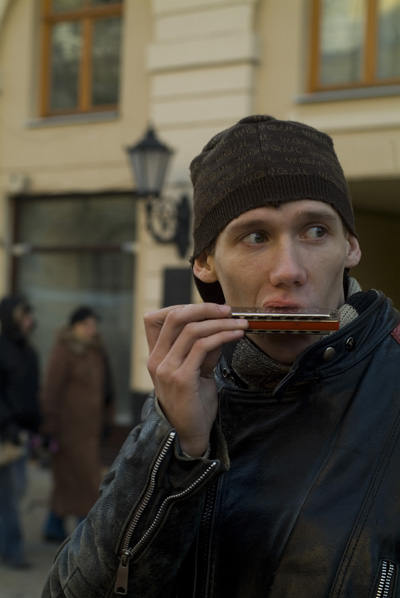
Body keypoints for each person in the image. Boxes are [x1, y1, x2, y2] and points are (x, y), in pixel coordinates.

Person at [42, 115, 400, 597]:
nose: (288, 270)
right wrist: (176, 442)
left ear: (350, 247)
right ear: (205, 263)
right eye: (255, 236)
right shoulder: (187, 393)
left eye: (315, 230)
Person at [40, 306, 114, 543]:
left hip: (89, 431)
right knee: (86, 484)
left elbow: (107, 390)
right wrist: (49, 427)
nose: (92, 329)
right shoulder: (64, 351)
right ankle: (86, 538)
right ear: (74, 327)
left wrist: (108, 419)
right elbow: (51, 391)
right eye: (86, 325)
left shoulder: (96, 351)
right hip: (68, 431)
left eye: (94, 324)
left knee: (69, 484)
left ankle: (53, 526)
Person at [0, 295, 40, 569]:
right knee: (10, 494)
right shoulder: (2, 349)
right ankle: (12, 550)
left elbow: (32, 394)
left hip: (22, 433)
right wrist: (8, 424)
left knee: (17, 490)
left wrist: (37, 429)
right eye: (24, 315)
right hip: (5, 434)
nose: (30, 321)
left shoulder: (29, 352)